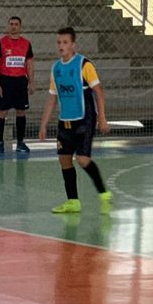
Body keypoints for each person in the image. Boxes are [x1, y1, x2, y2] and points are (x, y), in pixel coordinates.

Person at [38, 26, 112, 214]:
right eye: (59, 42)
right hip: (65, 121)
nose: (61, 46)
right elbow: (52, 98)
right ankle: (73, 201)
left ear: (73, 45)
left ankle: (103, 193)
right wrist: (44, 123)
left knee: (83, 159)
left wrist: (102, 117)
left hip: (85, 119)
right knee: (64, 160)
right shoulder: (56, 68)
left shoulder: (84, 65)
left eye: (65, 42)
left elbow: (99, 92)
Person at [0, 15, 35, 155]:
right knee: (2, 112)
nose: (13, 26)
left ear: (20, 26)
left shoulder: (26, 44)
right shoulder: (0, 43)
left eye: (16, 24)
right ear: (8, 26)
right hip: (6, 81)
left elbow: (29, 64)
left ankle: (20, 143)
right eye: (11, 23)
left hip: (20, 81)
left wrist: (31, 82)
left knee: (21, 111)